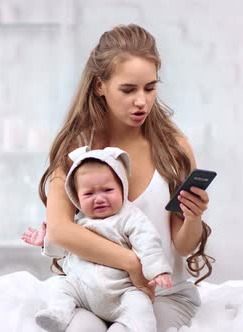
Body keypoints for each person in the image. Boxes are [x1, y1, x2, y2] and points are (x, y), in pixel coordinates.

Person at [32, 24, 214, 332]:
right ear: (100, 86)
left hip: (160, 294)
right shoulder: (77, 148)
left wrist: (193, 218)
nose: (141, 101)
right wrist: (131, 263)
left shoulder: (173, 147)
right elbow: (61, 230)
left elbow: (182, 246)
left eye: (150, 88)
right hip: (91, 292)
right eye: (128, 90)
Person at [22, 146, 172, 332]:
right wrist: (45, 240)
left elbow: (148, 243)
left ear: (122, 188)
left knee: (141, 306)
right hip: (83, 291)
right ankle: (58, 314)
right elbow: (64, 248)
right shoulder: (77, 223)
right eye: (89, 194)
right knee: (60, 286)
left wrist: (158, 270)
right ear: (76, 198)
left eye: (107, 190)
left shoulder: (130, 217)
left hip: (121, 292)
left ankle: (131, 328)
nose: (99, 199)